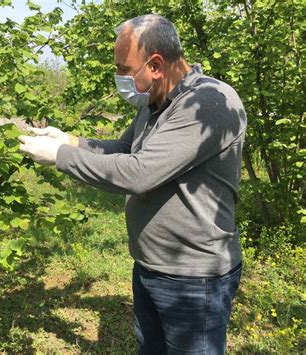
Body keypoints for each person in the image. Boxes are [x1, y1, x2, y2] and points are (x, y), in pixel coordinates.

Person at [19, 13, 246, 355]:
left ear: (155, 65)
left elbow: (139, 173)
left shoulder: (208, 104)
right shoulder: (155, 100)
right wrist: (70, 139)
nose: (119, 77)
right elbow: (126, 148)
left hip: (193, 277)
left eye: (124, 69)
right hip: (151, 264)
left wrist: (60, 156)